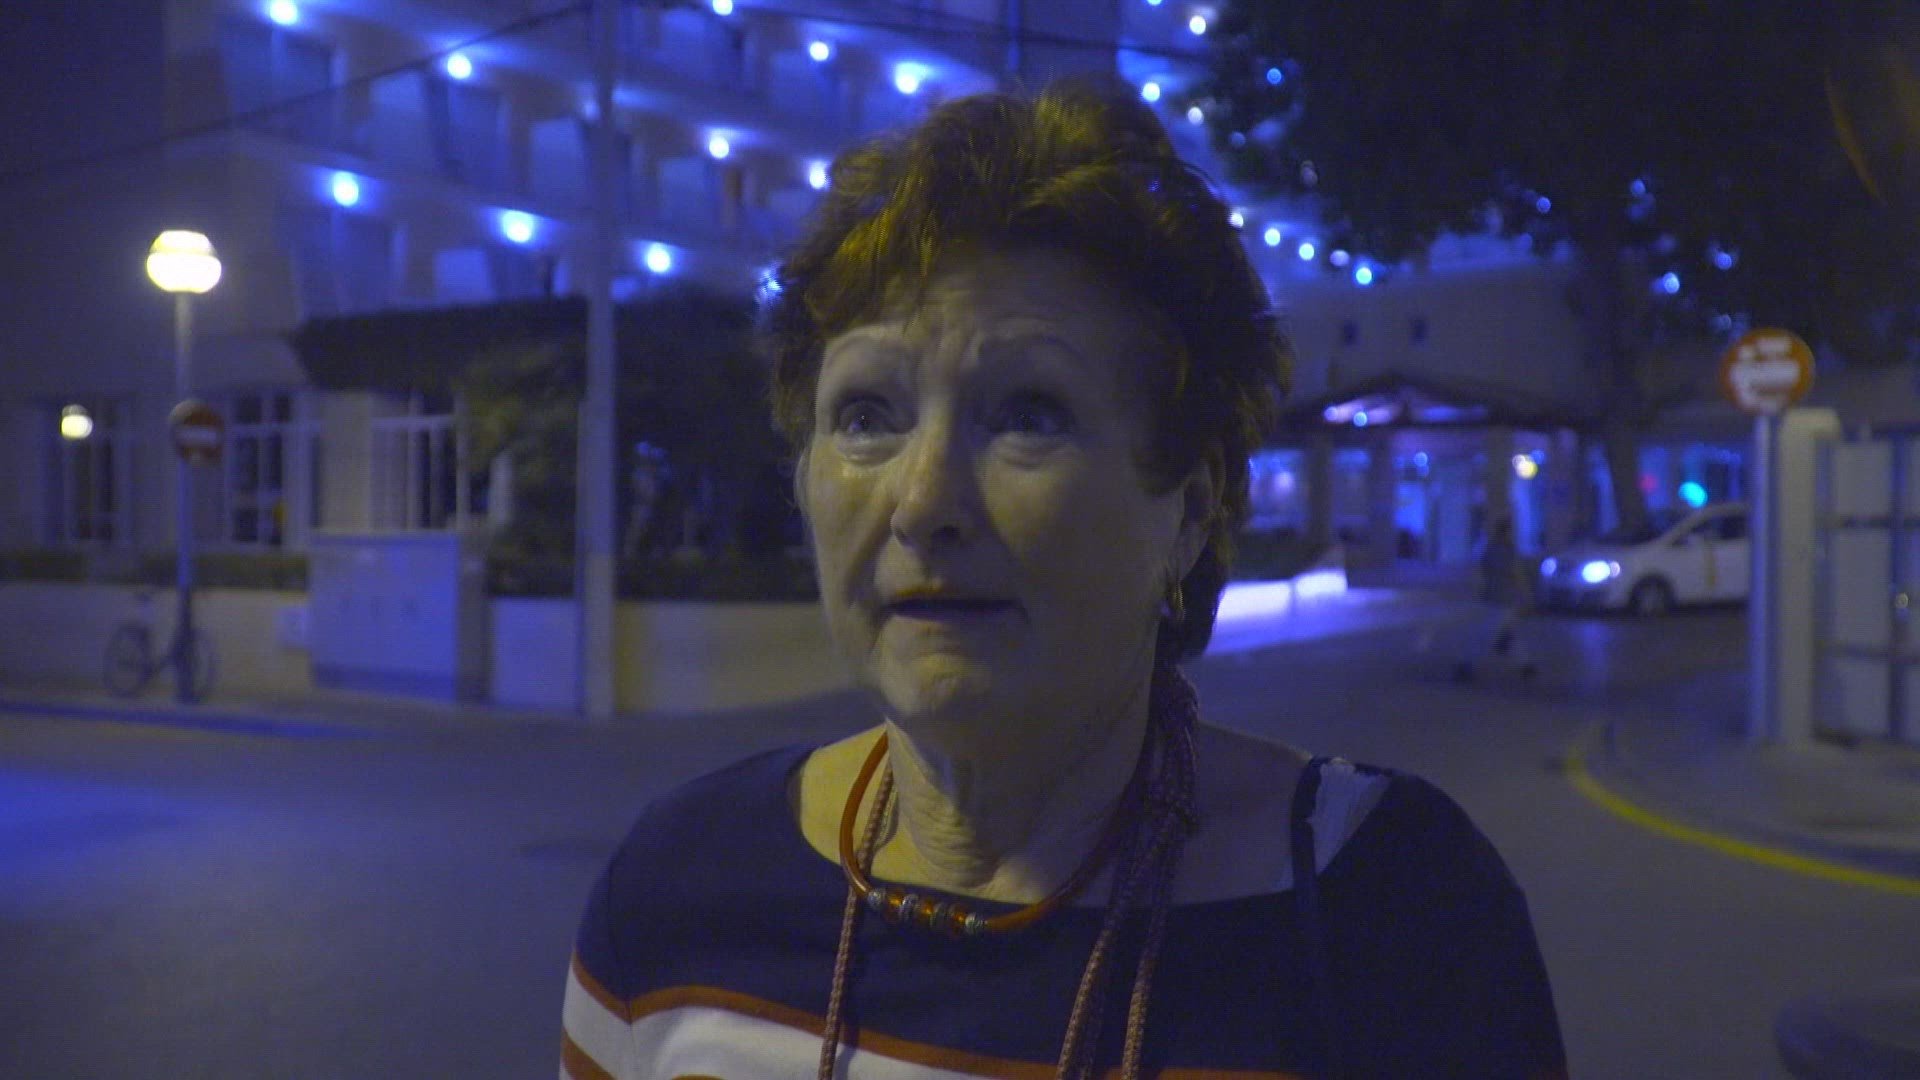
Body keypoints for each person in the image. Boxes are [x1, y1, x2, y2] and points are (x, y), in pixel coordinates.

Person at [562, 79, 1566, 1078]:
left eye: (1028, 415)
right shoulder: (672, 896)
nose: (923, 501)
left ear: (1192, 506)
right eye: (867, 416)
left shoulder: (1392, 915)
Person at [1455, 513, 1539, 683]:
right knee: (1490, 634)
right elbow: (1517, 575)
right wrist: (1527, 597)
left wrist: (1479, 590)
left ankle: (1525, 666)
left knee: (1504, 636)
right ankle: (1466, 664)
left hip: (1493, 597)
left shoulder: (1490, 550)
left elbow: (1481, 572)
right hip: (1504, 600)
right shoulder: (1508, 552)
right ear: (1507, 532)